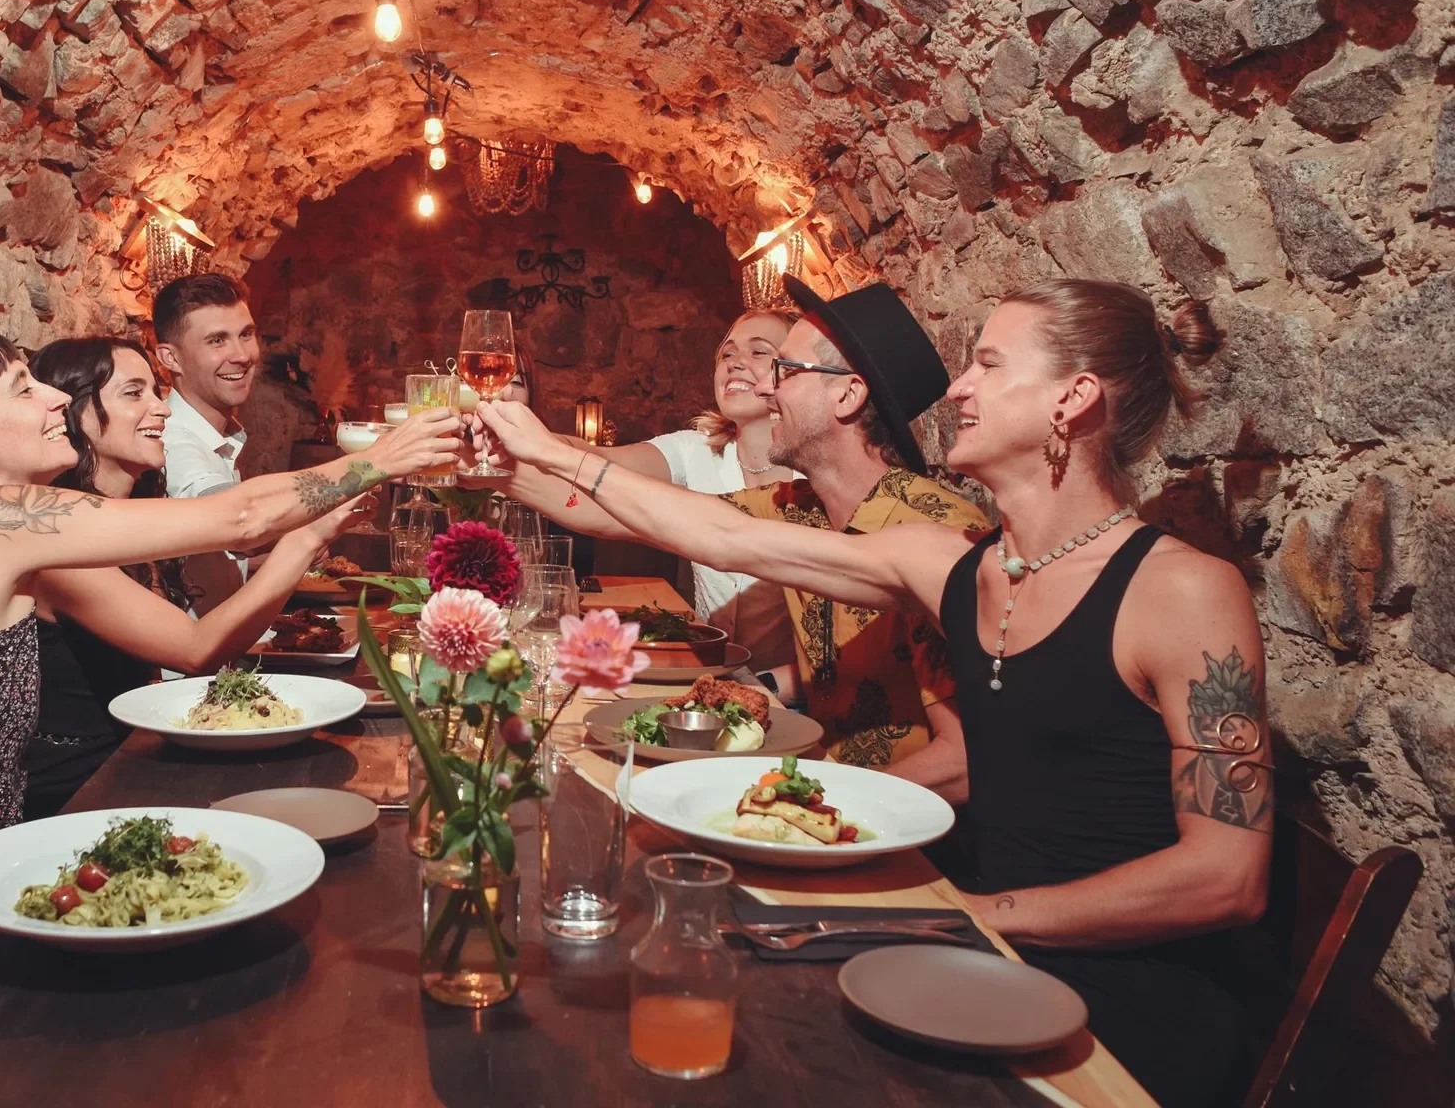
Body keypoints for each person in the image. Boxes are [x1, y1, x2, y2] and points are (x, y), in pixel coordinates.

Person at [479, 279, 1264, 1108]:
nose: (958, 388)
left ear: (1072, 400)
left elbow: (1225, 876)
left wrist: (971, 912)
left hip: (1118, 1009)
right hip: (975, 960)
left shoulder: (1184, 591)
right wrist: (546, 452)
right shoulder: (954, 563)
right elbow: (720, 533)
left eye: (989, 365)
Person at [0, 331, 460, 1104]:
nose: (56, 397)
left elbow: (203, 620)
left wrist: (313, 528)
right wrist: (383, 456)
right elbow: (239, 517)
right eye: (23, 388)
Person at [515, 285, 986, 787]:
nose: (766, 388)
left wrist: (812, 808)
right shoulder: (795, 506)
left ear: (848, 395)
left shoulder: (932, 528)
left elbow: (967, 760)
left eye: (784, 370)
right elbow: (637, 517)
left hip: (910, 837)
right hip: (815, 774)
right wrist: (485, 467)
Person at [19, 337, 368, 819]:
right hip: (83, 795)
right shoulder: (58, 542)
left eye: (155, 392)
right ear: (76, 413)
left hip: (142, 761)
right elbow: (197, 648)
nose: (161, 409)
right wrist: (305, 539)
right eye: (133, 393)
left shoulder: (134, 516)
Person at [500, 309, 803, 682]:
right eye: (727, 354)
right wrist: (509, 443)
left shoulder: (816, 471)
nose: (736, 363)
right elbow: (603, 462)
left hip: (797, 700)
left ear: (795, 372)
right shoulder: (696, 450)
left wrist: (765, 690)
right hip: (709, 677)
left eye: (759, 352)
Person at [153, 273, 262, 614]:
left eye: (246, 334)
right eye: (217, 341)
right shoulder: (170, 441)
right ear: (170, 359)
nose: (242, 355)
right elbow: (237, 520)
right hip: (188, 667)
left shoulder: (218, 435)